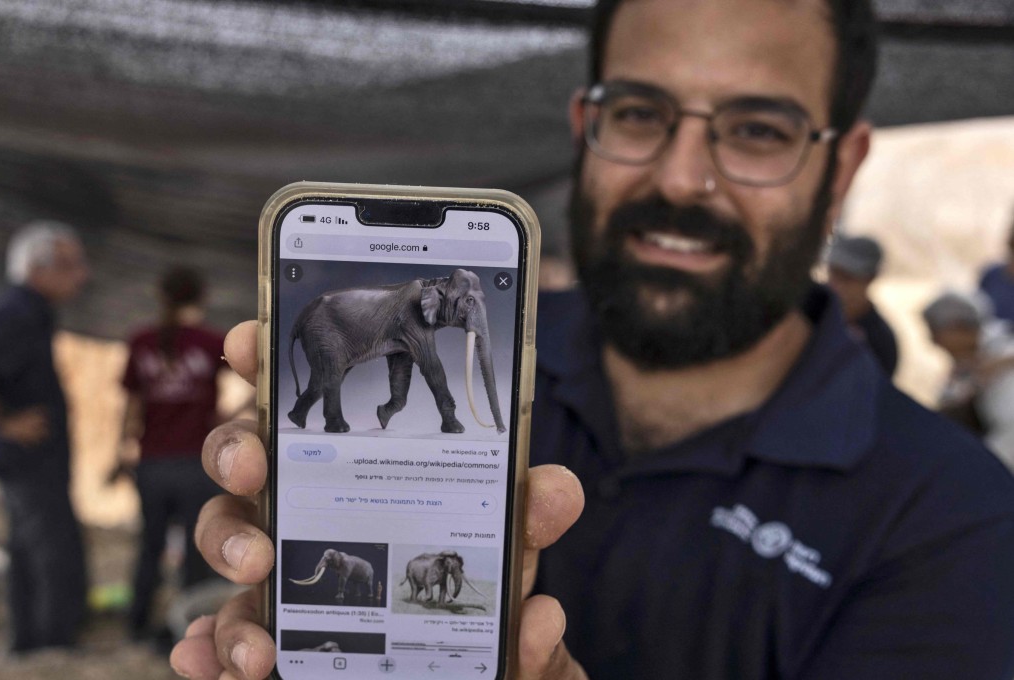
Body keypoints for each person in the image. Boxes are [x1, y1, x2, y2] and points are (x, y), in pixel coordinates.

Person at [172, 0, 1014, 678]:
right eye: (641, 112)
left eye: (759, 129)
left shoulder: (955, 524)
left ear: (843, 166)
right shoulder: (503, 361)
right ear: (585, 128)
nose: (682, 177)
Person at [116, 266, 229, 643]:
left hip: (152, 464)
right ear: (202, 297)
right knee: (196, 552)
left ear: (160, 295)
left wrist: (121, 453)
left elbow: (131, 404)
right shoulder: (211, 342)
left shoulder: (141, 340)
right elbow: (259, 372)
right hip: (196, 464)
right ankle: (184, 632)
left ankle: (136, 624)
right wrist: (230, 414)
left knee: (150, 545)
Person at [0, 221, 89, 653]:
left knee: (29, 546)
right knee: (51, 548)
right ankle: (50, 644)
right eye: (70, 265)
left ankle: (29, 641)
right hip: (26, 457)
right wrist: (4, 425)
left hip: (33, 457)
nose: (81, 276)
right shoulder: (15, 312)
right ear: (38, 268)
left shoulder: (33, 312)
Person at [923, 290, 1014, 472]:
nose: (933, 341)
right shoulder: (970, 365)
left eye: (936, 332)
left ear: (959, 328)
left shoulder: (1003, 362)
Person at [825, 233, 899, 375]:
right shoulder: (811, 315)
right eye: (833, 273)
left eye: (847, 278)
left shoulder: (879, 340)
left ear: (870, 279)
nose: (835, 284)